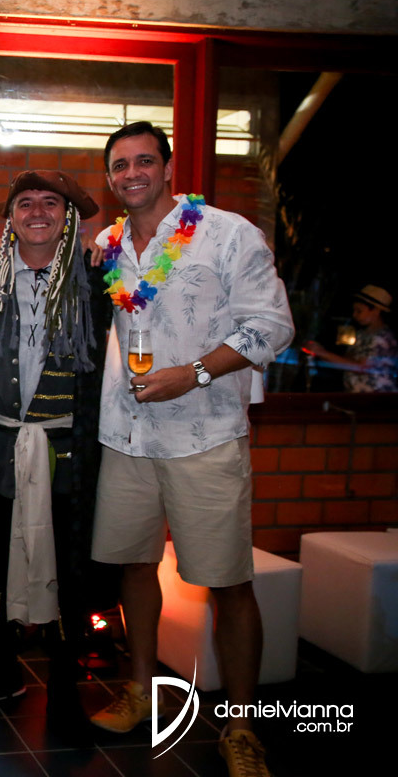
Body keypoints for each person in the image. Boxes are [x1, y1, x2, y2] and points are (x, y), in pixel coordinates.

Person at [87, 122, 293, 777]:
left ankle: (242, 727)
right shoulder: (109, 246)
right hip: (126, 434)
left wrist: (195, 372)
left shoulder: (228, 234)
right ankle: (142, 690)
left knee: (228, 582)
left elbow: (272, 326)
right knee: (134, 565)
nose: (132, 173)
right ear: (110, 178)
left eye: (144, 160)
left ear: (169, 168)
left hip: (205, 433)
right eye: (120, 165)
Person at [0, 170, 113, 736]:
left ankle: (66, 689)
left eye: (51, 203)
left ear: (68, 218)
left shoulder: (99, 280)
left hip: (71, 449)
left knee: (69, 566)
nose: (38, 211)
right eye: (26, 203)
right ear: (10, 217)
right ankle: (1, 672)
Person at [305, 284, 397, 392]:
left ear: (376, 311)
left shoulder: (383, 338)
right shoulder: (362, 334)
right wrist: (321, 352)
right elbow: (348, 361)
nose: (354, 315)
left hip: (377, 397)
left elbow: (361, 367)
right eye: (354, 311)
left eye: (359, 311)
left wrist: (323, 353)